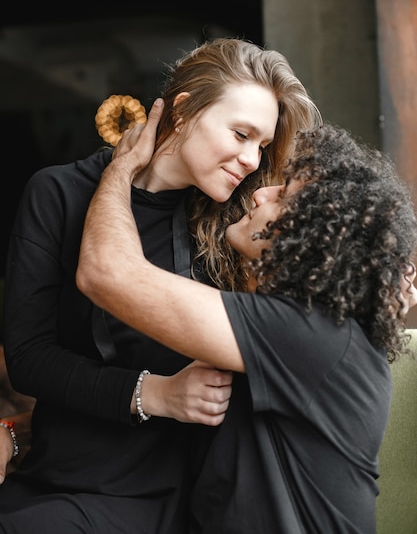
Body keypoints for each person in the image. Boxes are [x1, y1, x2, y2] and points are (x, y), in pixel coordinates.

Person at [0, 37, 322, 533]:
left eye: (261, 145)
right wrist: (155, 394)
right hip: (67, 480)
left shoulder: (240, 227)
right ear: (185, 110)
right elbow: (29, 357)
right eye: (240, 134)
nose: (253, 161)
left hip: (192, 491)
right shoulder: (58, 193)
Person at [75, 110, 417, 533]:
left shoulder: (310, 334)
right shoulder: (324, 334)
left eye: (282, 196)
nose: (259, 194)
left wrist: (122, 166)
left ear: (312, 235)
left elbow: (106, 273)